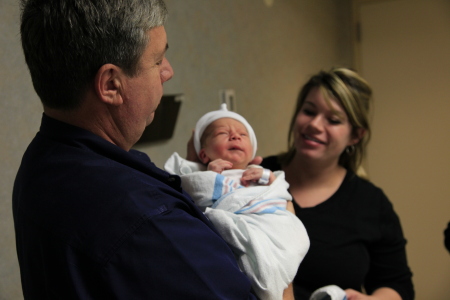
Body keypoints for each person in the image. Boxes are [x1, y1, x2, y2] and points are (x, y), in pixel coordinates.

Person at [13, 0, 261, 298]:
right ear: (111, 85)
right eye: (157, 61)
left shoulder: (40, 164)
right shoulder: (149, 220)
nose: (167, 72)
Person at [260, 68, 415, 300]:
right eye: (309, 111)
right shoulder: (255, 176)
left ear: (356, 136)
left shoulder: (371, 203)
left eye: (333, 120)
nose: (314, 124)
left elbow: (397, 284)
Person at [165, 104, 310, 300]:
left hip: (271, 223)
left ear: (252, 153)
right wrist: (210, 176)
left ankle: (274, 276)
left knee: (293, 240)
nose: (235, 136)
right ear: (204, 154)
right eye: (222, 133)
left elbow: (279, 191)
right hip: (239, 226)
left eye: (243, 134)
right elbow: (194, 192)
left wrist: (266, 176)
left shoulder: (261, 173)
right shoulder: (208, 174)